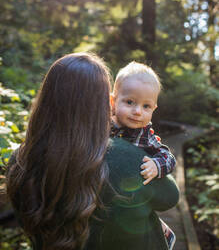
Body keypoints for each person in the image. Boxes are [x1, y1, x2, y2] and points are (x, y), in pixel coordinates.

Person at [6, 52, 179, 250]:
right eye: (129, 102)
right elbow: (169, 197)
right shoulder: (128, 159)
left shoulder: (20, 161)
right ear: (107, 102)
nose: (137, 110)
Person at [110, 61, 176, 249]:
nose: (137, 111)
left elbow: (169, 157)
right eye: (130, 102)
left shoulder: (146, 135)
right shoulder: (103, 125)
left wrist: (156, 165)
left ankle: (163, 233)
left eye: (146, 106)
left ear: (153, 109)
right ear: (113, 101)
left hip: (135, 194)